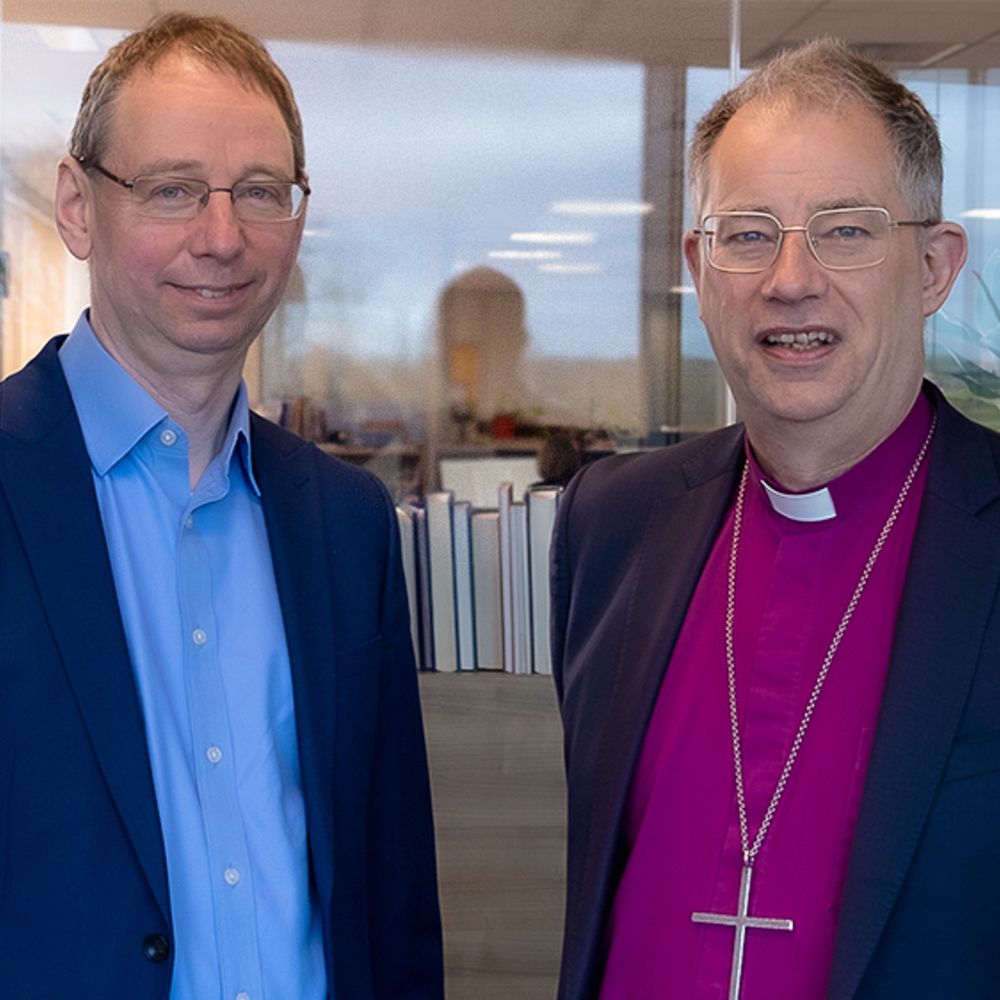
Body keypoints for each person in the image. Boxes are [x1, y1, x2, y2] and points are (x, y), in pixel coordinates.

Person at [0, 13, 442, 999]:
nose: (222, 236)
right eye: (171, 190)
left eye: (259, 192)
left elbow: (392, 890)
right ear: (77, 206)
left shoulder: (345, 523)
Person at [551, 37, 998, 1000]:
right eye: (748, 233)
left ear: (932, 267)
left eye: (844, 229)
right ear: (700, 271)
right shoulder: (611, 524)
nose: (790, 279)